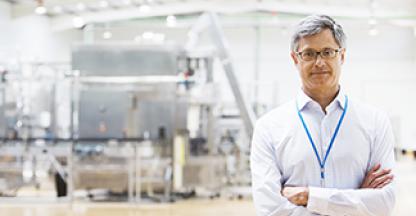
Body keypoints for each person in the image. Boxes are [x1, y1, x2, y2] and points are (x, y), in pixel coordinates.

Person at [250, 14, 395, 216]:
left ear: (342, 56)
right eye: (309, 54)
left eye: (328, 52)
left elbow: (384, 204)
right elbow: (270, 209)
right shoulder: (269, 127)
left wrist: (311, 197)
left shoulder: (375, 122)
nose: (319, 62)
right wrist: (357, 200)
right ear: (295, 59)